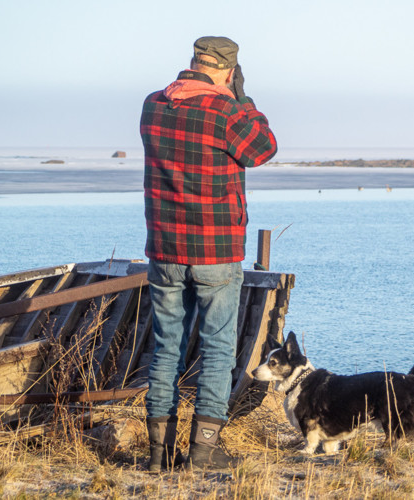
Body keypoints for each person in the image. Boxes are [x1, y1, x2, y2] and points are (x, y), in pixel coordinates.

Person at [140, 36, 277, 472]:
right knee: (218, 348)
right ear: (228, 71)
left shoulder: (153, 106)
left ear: (194, 63)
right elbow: (263, 148)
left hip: (164, 248)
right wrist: (245, 100)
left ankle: (158, 454)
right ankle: (203, 451)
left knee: (165, 349)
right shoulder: (226, 112)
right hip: (216, 248)